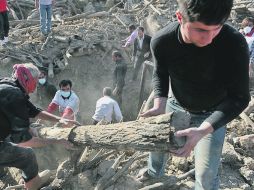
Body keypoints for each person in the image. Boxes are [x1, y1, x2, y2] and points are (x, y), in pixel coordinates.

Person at [139, 0, 250, 189]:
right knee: (158, 146)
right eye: (201, 30)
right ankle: (153, 173)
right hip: (175, 104)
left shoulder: (234, 43)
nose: (209, 38)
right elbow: (160, 72)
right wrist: (159, 104)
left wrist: (203, 130)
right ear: (180, 17)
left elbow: (239, 98)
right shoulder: (162, 41)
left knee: (206, 175)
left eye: (216, 29)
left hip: (213, 113)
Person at [0, 63, 80, 190]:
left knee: (11, 137)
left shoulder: (9, 85)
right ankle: (33, 186)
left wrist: (59, 119)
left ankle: (12, 175)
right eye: (36, 81)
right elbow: (24, 141)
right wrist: (57, 141)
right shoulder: (14, 95)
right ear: (28, 79)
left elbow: (33, 110)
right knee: (27, 155)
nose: (37, 84)